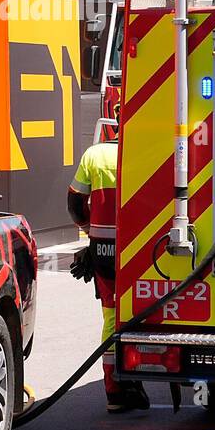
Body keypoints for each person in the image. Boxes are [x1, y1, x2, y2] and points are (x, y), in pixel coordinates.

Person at [68, 138, 149, 412]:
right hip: (141, 249)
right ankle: (135, 377)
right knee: (143, 311)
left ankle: (114, 390)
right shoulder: (148, 147)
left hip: (103, 250)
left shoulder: (95, 154)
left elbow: (75, 203)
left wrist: (90, 229)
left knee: (112, 315)